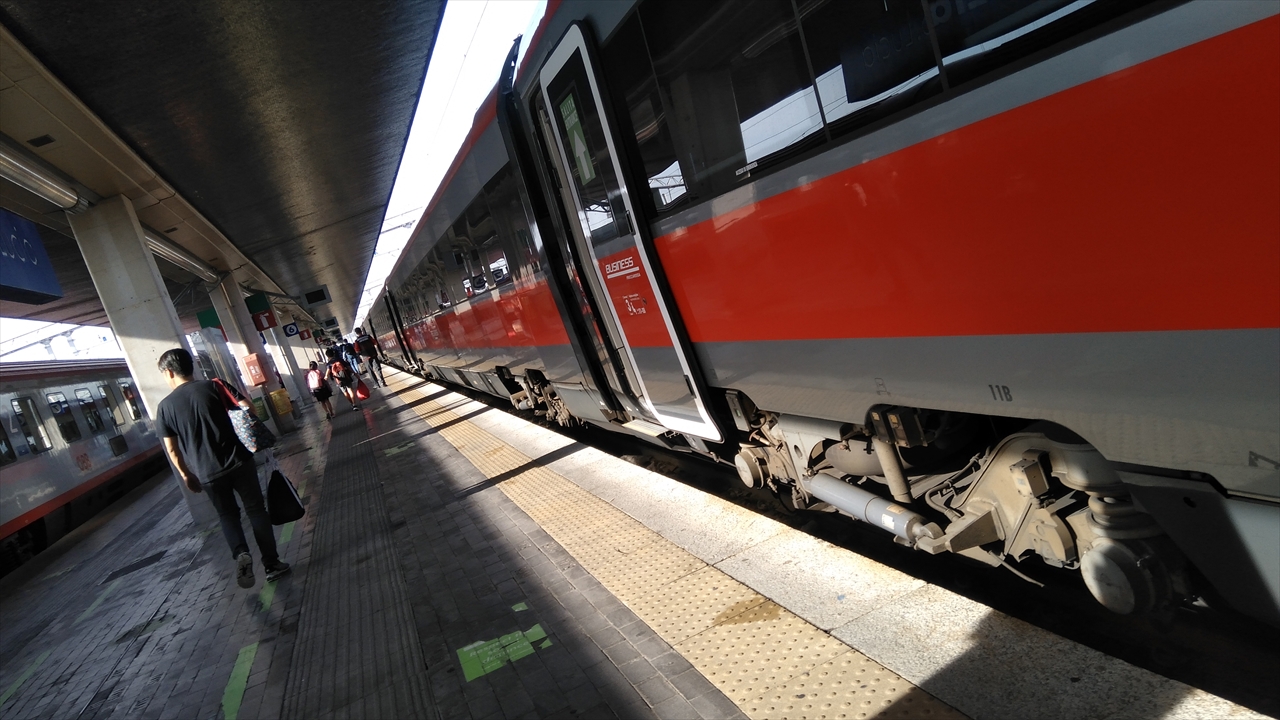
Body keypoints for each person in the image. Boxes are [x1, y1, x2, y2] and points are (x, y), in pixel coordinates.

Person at [155, 348, 290, 588]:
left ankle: (241, 552)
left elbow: (172, 450)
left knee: (227, 515)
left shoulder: (164, 407)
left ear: (169, 372)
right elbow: (249, 409)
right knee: (256, 510)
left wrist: (186, 474)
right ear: (191, 366)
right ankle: (271, 564)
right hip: (239, 460)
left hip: (207, 472)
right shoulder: (214, 386)